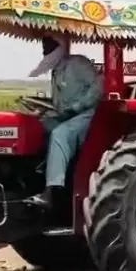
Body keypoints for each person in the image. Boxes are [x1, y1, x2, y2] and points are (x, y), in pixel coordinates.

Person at [24, 35, 102, 210]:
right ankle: (36, 174)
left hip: (88, 114)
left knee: (60, 134)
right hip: (67, 115)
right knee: (38, 127)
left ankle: (52, 190)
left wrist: (77, 106)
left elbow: (99, 87)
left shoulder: (78, 64)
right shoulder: (56, 71)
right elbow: (59, 102)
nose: (45, 52)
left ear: (59, 48)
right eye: (44, 48)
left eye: (49, 48)